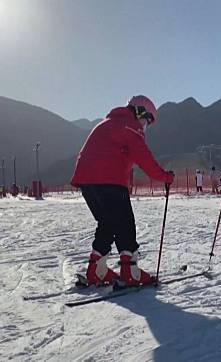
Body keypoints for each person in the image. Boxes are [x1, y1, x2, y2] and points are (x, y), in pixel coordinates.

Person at [70, 95, 174, 287]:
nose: (145, 125)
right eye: (147, 119)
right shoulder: (129, 125)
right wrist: (165, 176)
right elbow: (144, 157)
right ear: (140, 111)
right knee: (125, 222)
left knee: (107, 223)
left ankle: (97, 270)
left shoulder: (108, 123)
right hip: (109, 181)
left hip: (86, 181)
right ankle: (130, 271)